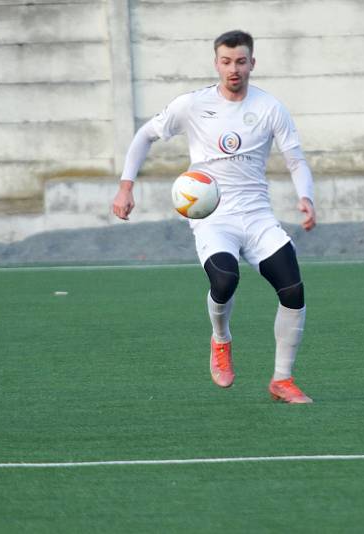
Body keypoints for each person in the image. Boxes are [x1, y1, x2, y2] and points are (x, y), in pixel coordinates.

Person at [112, 30, 316, 403]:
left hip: (257, 216)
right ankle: (220, 339)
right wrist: (126, 186)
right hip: (213, 216)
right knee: (224, 280)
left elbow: (296, 160)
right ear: (216, 63)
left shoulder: (271, 108)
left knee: (293, 290)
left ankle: (281, 380)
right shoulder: (192, 104)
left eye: (241, 61)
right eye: (226, 61)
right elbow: (144, 135)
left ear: (252, 63)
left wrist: (306, 197)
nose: (233, 69)